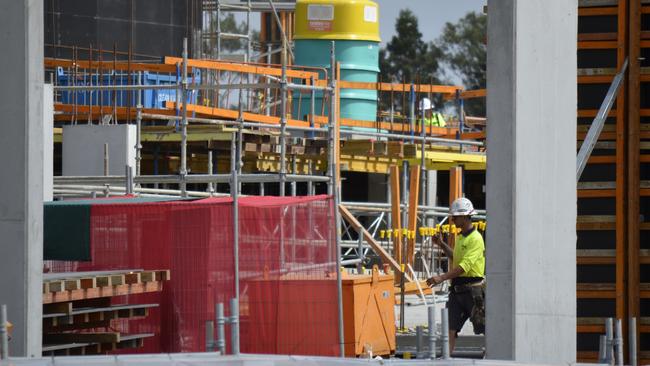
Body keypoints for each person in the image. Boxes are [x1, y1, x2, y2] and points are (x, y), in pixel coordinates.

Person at [426, 197, 485, 353]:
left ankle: (492, 357)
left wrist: (441, 277)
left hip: (473, 291)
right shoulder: (460, 237)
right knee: (450, 328)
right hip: (457, 290)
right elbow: (456, 258)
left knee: (484, 326)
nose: (452, 220)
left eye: (455, 217)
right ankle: (446, 358)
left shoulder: (476, 239)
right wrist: (442, 244)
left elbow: (463, 267)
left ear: (465, 217)